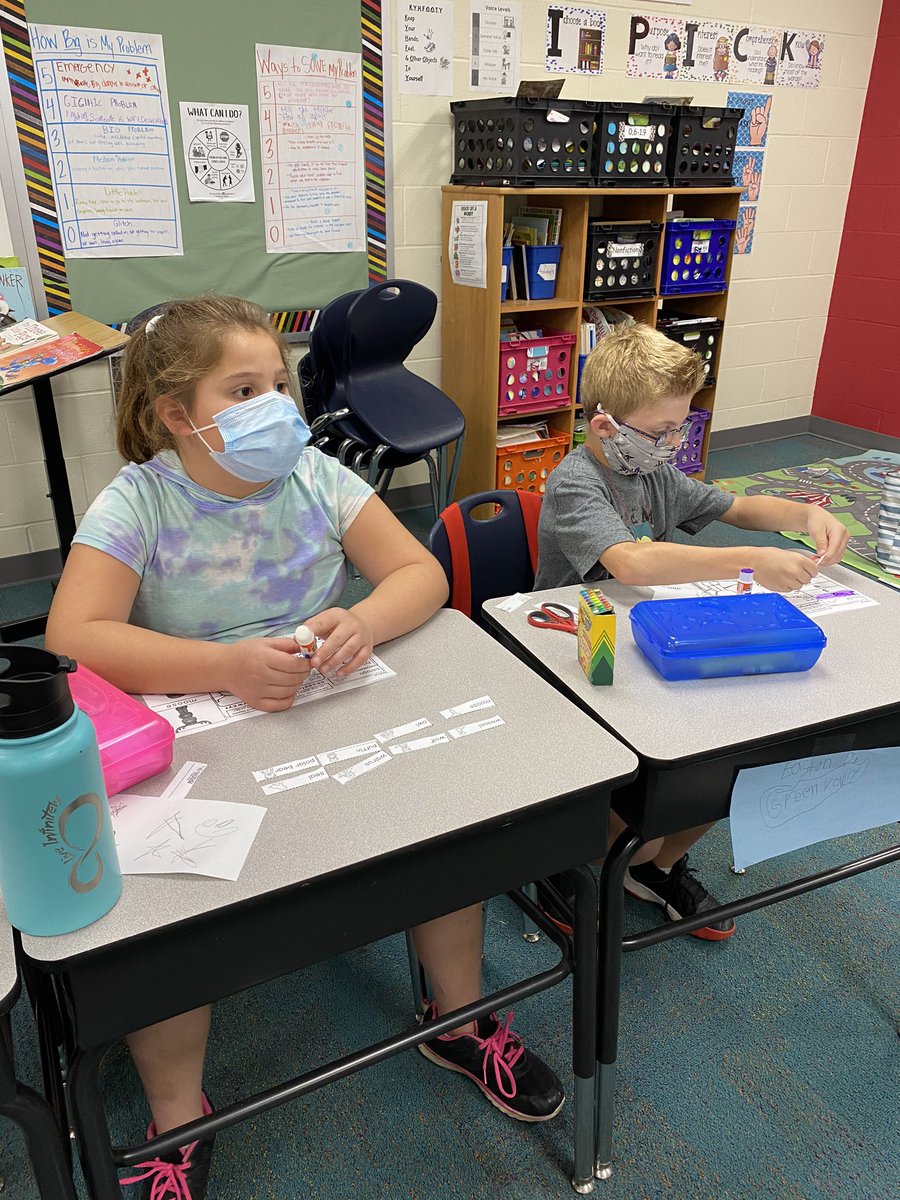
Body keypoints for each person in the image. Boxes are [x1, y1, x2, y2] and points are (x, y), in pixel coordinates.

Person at [45, 294, 563, 1200]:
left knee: (448, 825)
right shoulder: (141, 500)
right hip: (202, 729)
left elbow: (419, 573)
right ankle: (177, 1118)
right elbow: (74, 635)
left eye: (278, 385)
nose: (276, 408)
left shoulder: (316, 476)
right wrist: (225, 666)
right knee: (163, 914)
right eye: (243, 390)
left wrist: (363, 621)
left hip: (326, 709)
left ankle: (458, 1019)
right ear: (178, 415)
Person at [535, 323, 849, 939]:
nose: (675, 443)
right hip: (579, 647)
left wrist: (806, 514)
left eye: (680, 427)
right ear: (605, 427)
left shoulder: (653, 472)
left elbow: (736, 507)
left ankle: (657, 866)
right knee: (626, 805)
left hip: (655, 634)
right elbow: (630, 562)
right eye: (663, 432)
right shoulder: (576, 482)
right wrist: (748, 561)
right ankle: (571, 870)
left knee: (729, 754)